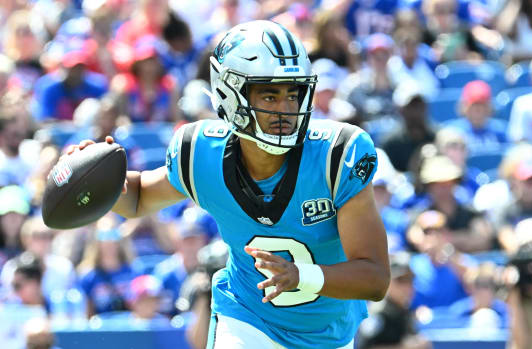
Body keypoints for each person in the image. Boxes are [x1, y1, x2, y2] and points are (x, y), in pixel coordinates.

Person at [69, 20, 390, 348]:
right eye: (269, 94)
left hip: (328, 335)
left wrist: (301, 276)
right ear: (229, 93)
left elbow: (375, 277)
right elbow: (137, 198)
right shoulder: (201, 154)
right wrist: (98, 178)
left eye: (293, 94)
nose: (286, 109)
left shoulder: (335, 157)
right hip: (247, 318)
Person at [357, 252, 432, 349]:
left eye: (410, 281)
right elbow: (365, 347)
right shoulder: (377, 313)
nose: (407, 287)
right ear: (388, 283)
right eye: (401, 281)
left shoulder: (404, 310)